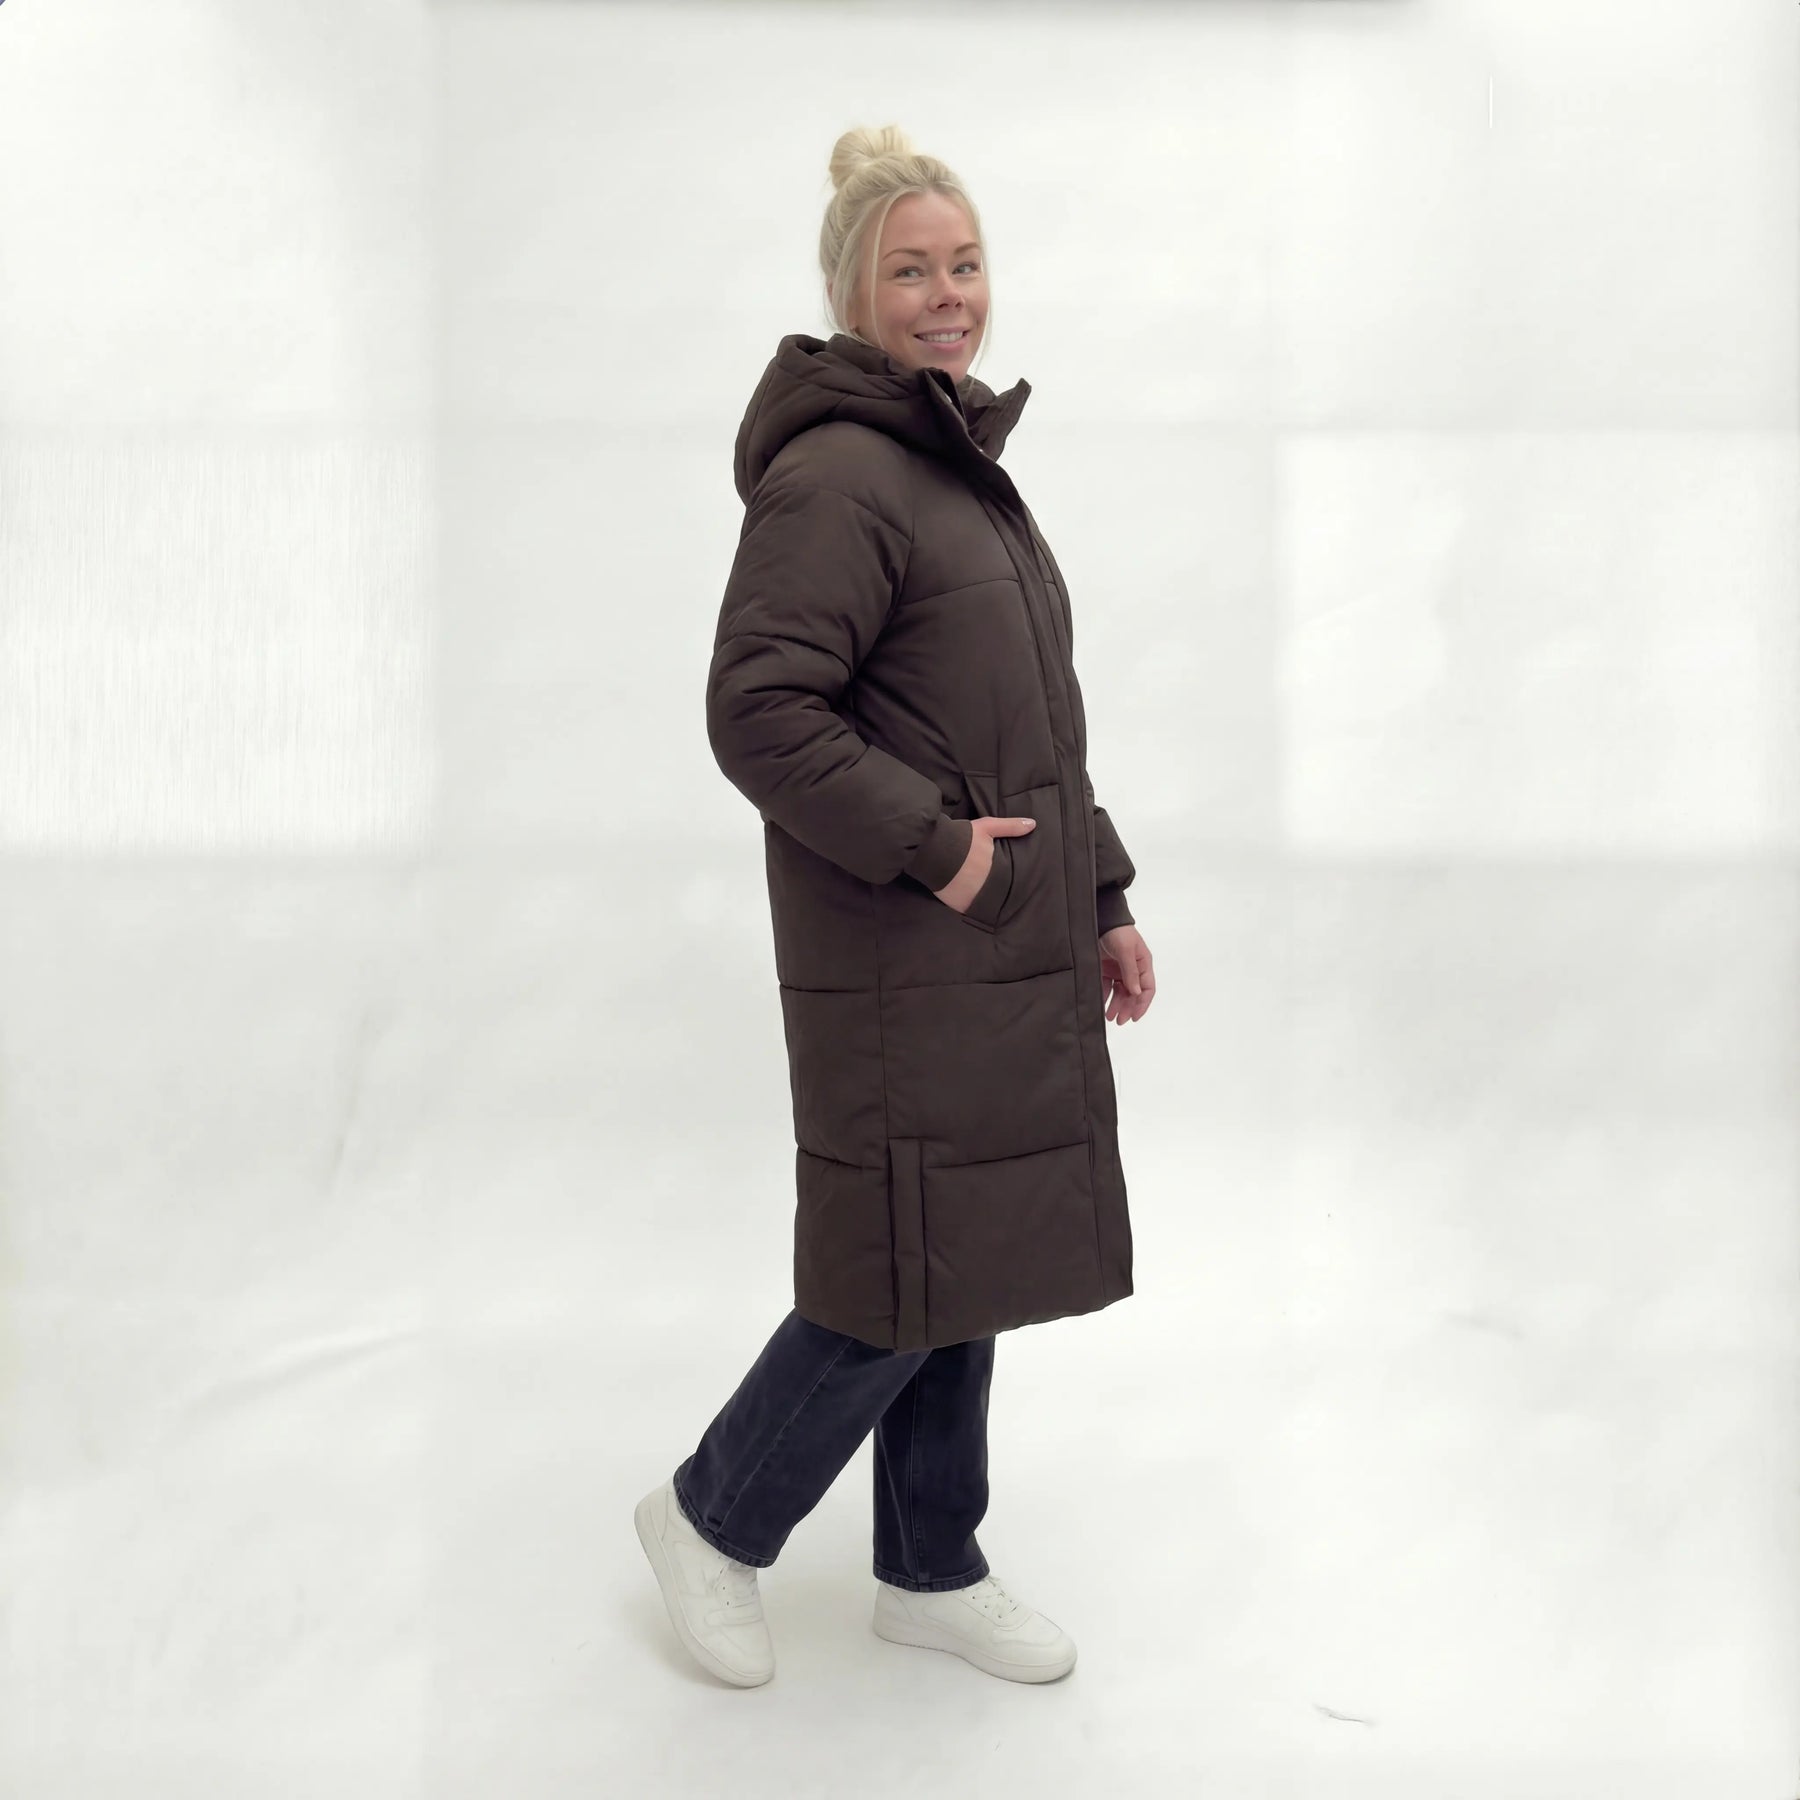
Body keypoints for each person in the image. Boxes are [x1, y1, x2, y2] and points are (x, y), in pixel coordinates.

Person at [635, 123, 1156, 1690]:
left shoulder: (956, 473)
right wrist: (943, 854)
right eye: (912, 271)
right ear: (852, 296)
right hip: (903, 949)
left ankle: (932, 1564)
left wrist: (1098, 893)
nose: (948, 295)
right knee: (897, 1264)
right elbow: (758, 711)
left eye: (967, 263)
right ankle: (710, 1518)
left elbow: (1032, 727)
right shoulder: (841, 476)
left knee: (962, 1251)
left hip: (989, 944)